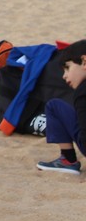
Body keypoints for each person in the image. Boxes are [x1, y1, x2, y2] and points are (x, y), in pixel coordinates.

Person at [36, 40, 86, 174]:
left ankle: (67, 160)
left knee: (54, 106)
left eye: (67, 68)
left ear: (84, 62)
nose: (64, 76)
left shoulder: (82, 92)